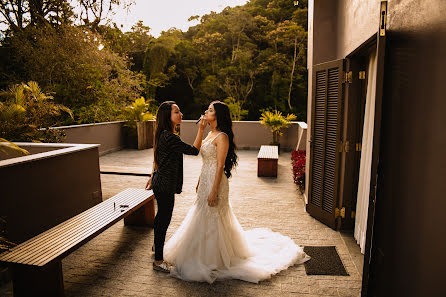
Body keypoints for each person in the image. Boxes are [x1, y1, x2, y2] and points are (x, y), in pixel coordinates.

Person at [163, 101, 310, 283]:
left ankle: (214, 258)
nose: (205, 112)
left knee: (214, 215)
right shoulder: (210, 133)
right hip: (205, 179)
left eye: (209, 110)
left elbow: (220, 166)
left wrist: (214, 189)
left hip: (216, 182)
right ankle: (199, 253)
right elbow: (202, 157)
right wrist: (201, 181)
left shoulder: (222, 136)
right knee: (202, 213)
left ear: (217, 116)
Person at [145, 101, 207, 273]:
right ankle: (158, 261)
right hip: (164, 185)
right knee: (163, 220)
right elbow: (194, 150)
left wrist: (152, 175)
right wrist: (201, 129)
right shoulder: (170, 137)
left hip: (160, 182)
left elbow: (157, 156)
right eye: (176, 112)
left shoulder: (162, 134)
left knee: (160, 218)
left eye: (180, 111)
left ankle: (156, 246)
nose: (181, 114)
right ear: (168, 116)